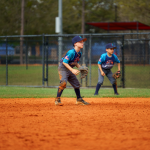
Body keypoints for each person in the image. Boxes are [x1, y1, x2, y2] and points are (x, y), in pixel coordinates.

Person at [55, 36, 90, 106]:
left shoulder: (79, 53)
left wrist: (80, 68)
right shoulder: (71, 52)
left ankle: (79, 100)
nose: (82, 43)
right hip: (63, 68)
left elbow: (75, 62)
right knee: (63, 82)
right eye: (80, 42)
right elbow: (65, 62)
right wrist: (72, 70)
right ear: (75, 44)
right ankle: (57, 100)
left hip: (70, 68)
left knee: (76, 84)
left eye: (82, 42)